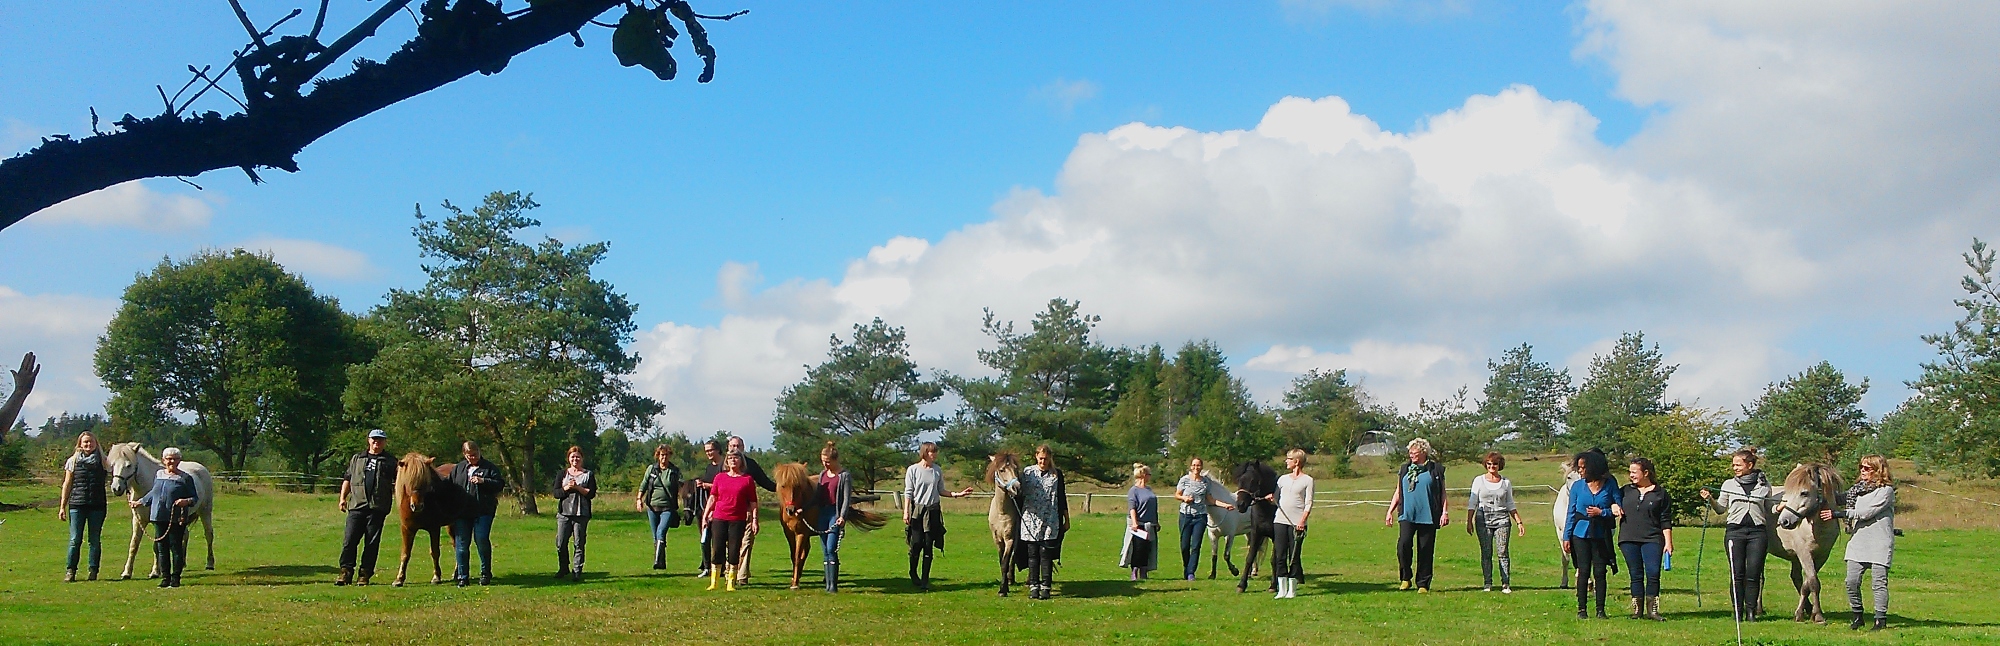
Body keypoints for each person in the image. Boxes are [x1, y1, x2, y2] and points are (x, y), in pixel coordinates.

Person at [1824, 454, 1896, 631]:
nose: (1862, 471)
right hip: (1858, 541)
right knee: (1851, 581)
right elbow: (1840, 498)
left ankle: (1880, 619)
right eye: (1861, 467)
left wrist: (1839, 514)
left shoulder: (1886, 491)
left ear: (1878, 470)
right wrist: (1821, 491)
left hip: (1879, 542)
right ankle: (1858, 616)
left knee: (1878, 582)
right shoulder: (1857, 490)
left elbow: (1865, 512)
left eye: (1867, 468)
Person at [1700, 448, 1772, 622]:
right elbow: (1720, 509)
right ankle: (1738, 612)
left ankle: (1751, 612)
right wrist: (1710, 499)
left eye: (1738, 464)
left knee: (1754, 574)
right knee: (1737, 573)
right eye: (1733, 465)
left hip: (1757, 533)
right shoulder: (1728, 485)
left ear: (1750, 464)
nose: (1735, 468)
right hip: (1735, 532)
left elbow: (1769, 509)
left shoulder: (1764, 485)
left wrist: (1783, 507)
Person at [901, 441, 974, 591]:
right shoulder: (913, 470)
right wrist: (906, 511)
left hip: (932, 511)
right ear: (924, 452)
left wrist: (957, 494)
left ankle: (925, 580)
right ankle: (913, 572)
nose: (933, 455)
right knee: (916, 544)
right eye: (931, 452)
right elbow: (908, 492)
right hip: (917, 511)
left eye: (935, 452)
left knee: (928, 546)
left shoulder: (937, 470)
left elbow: (941, 490)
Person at [1564, 450, 1623, 619]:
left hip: (1600, 533)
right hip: (1580, 533)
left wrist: (1602, 512)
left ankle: (1600, 609)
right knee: (1583, 571)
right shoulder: (1577, 486)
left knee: (1600, 571)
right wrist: (1566, 536)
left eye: (1583, 468)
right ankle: (1581, 609)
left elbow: (1617, 508)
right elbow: (1571, 512)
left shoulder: (1610, 484)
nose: (1580, 471)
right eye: (1579, 467)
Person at [130, 447, 199, 588]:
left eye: (174, 458)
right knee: (161, 548)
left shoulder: (185, 478)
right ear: (163, 460)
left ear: (179, 460)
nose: (171, 461)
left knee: (175, 547)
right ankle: (165, 577)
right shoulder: (159, 474)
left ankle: (176, 578)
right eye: (168, 459)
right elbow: (153, 494)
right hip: (158, 516)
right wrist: (140, 502)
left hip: (176, 517)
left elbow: (194, 497)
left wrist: (186, 502)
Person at [1386, 438, 1448, 593]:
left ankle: (1423, 583)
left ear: (1423, 452)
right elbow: (1398, 491)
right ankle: (1405, 578)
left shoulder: (1435, 469)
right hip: (1407, 514)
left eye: (1414, 452)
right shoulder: (1405, 469)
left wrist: (1444, 512)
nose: (1411, 454)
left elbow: (1442, 493)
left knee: (1426, 549)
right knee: (1403, 545)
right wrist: (1390, 511)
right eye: (1410, 452)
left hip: (1428, 515)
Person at [337, 429, 397, 586]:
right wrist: (342, 498)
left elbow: (398, 483)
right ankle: (345, 572)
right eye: (374, 439)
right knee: (349, 540)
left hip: (377, 507)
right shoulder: (357, 458)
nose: (377, 442)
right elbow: (347, 478)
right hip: (356, 505)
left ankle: (364, 574)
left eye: (380, 440)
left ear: (385, 442)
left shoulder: (391, 461)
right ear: (368, 440)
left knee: (371, 543)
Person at [1617, 457, 1673, 620]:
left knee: (1653, 572)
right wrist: (1614, 505)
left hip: (1652, 538)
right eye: (1630, 472)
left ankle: (1652, 610)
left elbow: (1665, 519)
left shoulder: (1660, 494)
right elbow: (1610, 500)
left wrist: (1668, 542)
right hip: (1628, 538)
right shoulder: (1625, 491)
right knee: (1636, 574)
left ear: (1646, 473)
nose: (1631, 475)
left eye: (1634, 472)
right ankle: (1637, 610)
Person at [1466, 451, 1524, 594]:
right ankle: (1488, 582)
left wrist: (1519, 522)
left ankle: (1505, 583)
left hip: (1502, 519)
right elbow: (1472, 502)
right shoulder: (1479, 480)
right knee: (1486, 552)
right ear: (1486, 465)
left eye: (1495, 464)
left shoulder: (1506, 482)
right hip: (1483, 519)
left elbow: (1510, 503)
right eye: (1489, 464)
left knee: (1502, 552)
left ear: (1500, 465)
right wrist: (1469, 521)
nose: (1492, 466)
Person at [1017, 444, 1070, 600]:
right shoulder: (1027, 473)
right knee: (1032, 554)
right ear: (1036, 457)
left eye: (1046, 459)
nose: (1043, 462)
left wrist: (1066, 518)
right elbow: (1018, 493)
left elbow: (1061, 497)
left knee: (1046, 554)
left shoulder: (1056, 474)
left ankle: (1046, 586)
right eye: (1041, 458)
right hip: (1031, 519)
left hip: (1050, 519)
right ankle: (1034, 586)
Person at [448, 440, 504, 587]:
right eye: (470, 455)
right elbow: (448, 486)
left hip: (483, 511)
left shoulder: (489, 467)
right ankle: (463, 577)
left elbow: (499, 484)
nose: (473, 458)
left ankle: (485, 573)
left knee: (481, 540)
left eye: (475, 454)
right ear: (464, 455)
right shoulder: (458, 469)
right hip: (462, 512)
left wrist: (483, 481)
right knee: (461, 544)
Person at [1173, 457, 1235, 581]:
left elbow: (1210, 499)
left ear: (1201, 467)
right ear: (1191, 466)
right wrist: (1184, 499)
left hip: (1200, 517)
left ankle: (1191, 572)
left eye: (1199, 465)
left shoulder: (1205, 482)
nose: (1196, 468)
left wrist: (1225, 505)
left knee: (1196, 546)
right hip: (1185, 515)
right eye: (1194, 465)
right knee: (1185, 545)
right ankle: (1187, 567)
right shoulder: (1184, 480)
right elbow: (1177, 494)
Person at [59, 431, 110, 582]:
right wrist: (62, 506)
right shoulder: (73, 461)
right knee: (75, 540)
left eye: (91, 442)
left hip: (97, 505)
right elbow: (67, 484)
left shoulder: (104, 461)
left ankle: (93, 571)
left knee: (94, 540)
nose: (88, 445)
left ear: (96, 443)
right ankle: (71, 571)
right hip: (77, 505)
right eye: (85, 442)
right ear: (80, 444)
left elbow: (118, 477)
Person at [725, 436, 776, 586]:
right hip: (727, 512)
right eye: (732, 445)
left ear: (743, 448)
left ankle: (742, 576)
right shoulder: (724, 465)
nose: (735, 448)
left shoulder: (751, 465)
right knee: (730, 544)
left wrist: (782, 487)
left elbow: (765, 482)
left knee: (746, 543)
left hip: (746, 510)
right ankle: (729, 573)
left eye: (738, 445)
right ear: (728, 447)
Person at [705, 452, 758, 591]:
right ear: (726, 461)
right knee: (717, 549)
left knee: (734, 550)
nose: (733, 460)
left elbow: (753, 502)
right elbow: (713, 497)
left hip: (738, 519)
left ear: (741, 461)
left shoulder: (747, 480)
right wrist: (706, 514)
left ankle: (731, 582)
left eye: (736, 458)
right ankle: (714, 581)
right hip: (719, 517)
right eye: (730, 458)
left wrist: (754, 520)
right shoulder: (719, 478)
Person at [1272, 449, 1314, 599]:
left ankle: (1292, 590)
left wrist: (1302, 521)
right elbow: (1276, 497)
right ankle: (1281, 589)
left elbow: (1308, 503)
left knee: (1294, 556)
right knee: (1280, 555)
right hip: (1280, 521)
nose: (1286, 461)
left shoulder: (1308, 480)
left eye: (1289, 458)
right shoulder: (1282, 479)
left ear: (1296, 462)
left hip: (1297, 524)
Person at [552, 446, 596, 582]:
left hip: (581, 514)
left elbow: (592, 493)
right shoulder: (562, 474)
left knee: (579, 543)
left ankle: (577, 570)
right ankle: (563, 567)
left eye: (577, 457)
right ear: (568, 458)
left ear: (582, 458)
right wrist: (566, 488)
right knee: (561, 542)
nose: (575, 459)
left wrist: (578, 488)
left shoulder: (588, 474)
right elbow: (556, 493)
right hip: (564, 513)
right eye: (572, 457)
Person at [637, 445, 683, 571]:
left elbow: (682, 487)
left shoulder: (674, 471)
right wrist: (639, 499)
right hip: (652, 507)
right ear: (658, 456)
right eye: (662, 455)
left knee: (661, 532)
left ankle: (657, 560)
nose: (664, 457)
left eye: (666, 455)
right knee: (655, 536)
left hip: (667, 507)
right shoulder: (651, 469)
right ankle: (661, 562)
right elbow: (644, 484)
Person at [815, 441, 851, 593]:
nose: (825, 465)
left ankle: (833, 585)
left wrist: (842, 516)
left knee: (831, 548)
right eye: (823, 462)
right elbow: (817, 495)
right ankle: (828, 584)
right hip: (822, 514)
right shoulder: (823, 475)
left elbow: (846, 498)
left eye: (828, 462)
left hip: (834, 514)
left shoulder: (844, 476)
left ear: (835, 460)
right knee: (825, 550)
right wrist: (803, 508)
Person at [1120, 463, 1159, 581]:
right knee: (1138, 548)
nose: (1150, 477)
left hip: (1149, 523)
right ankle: (1135, 570)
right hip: (1139, 523)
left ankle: (1144, 570)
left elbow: (1154, 506)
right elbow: (1132, 507)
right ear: (1143, 475)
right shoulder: (1134, 491)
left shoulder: (1149, 489)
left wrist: (1156, 521)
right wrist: (1135, 522)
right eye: (1149, 474)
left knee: (1148, 548)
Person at [691, 440, 722, 577]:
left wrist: (707, 485)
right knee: (705, 539)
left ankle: (721, 567)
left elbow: (722, 486)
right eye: (707, 451)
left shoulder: (724, 466)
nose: (708, 453)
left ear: (717, 450)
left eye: (710, 450)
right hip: (708, 507)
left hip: (721, 507)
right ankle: (706, 566)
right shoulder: (709, 468)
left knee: (718, 540)